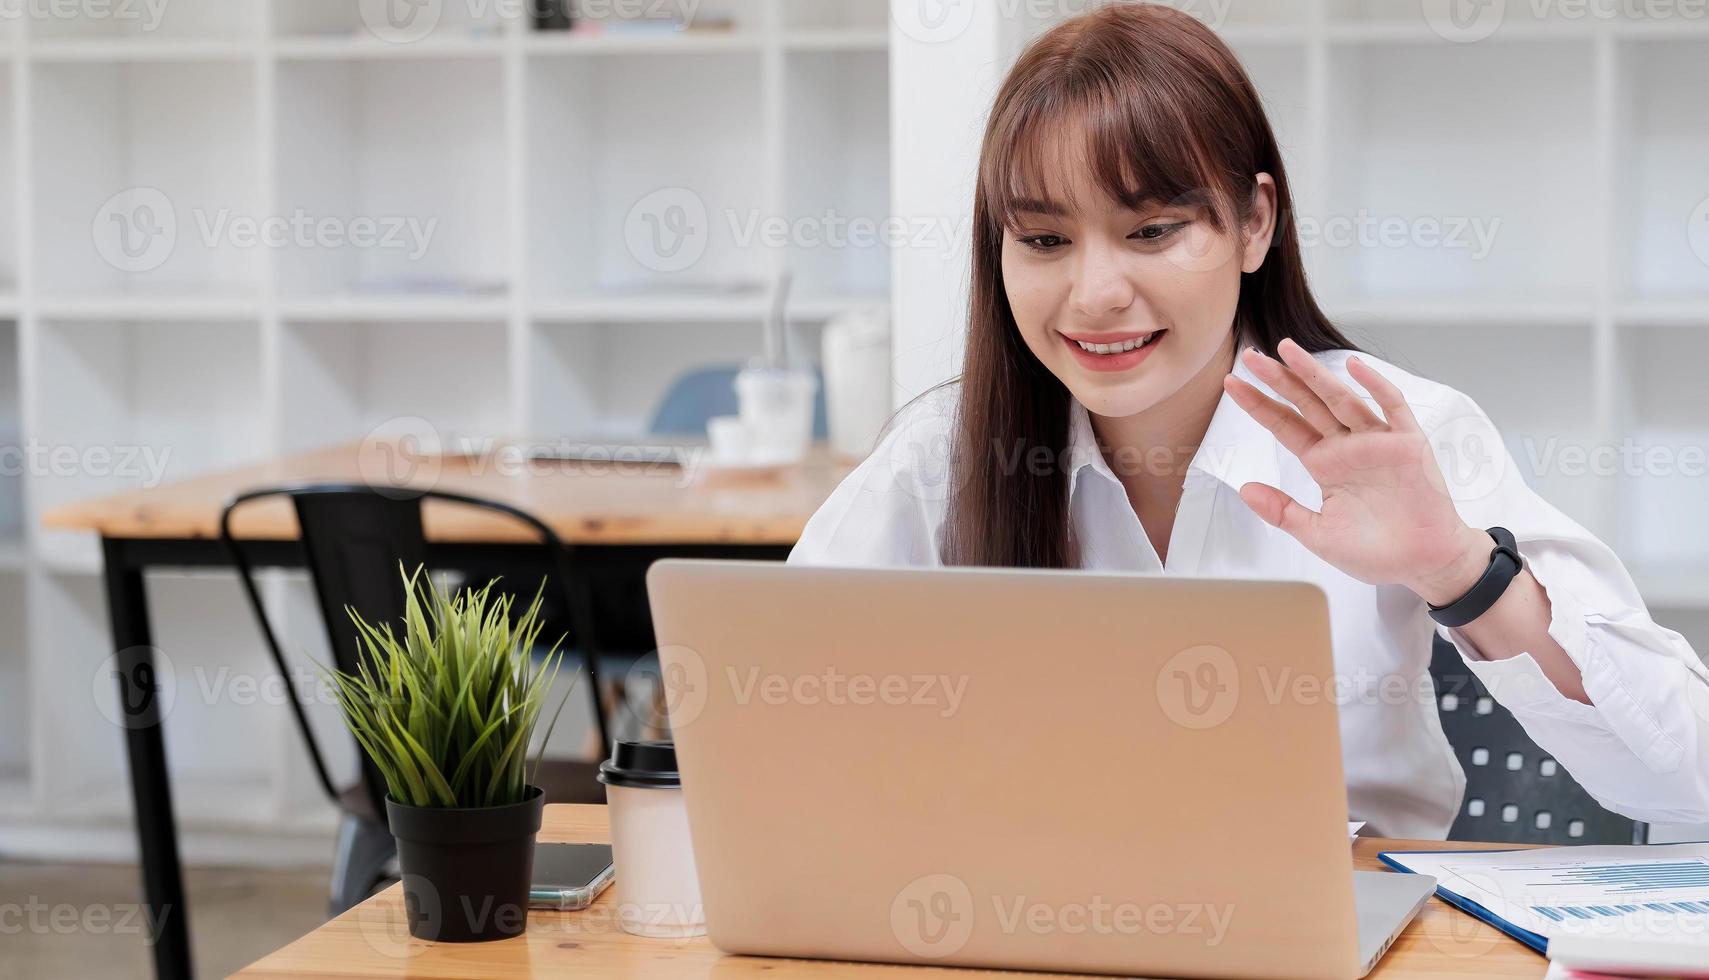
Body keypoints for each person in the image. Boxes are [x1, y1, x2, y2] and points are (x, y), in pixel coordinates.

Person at [787, 4, 1709, 839]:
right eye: (1043, 240)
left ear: (1253, 222)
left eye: (1151, 231)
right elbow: (771, 727)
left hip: (1347, 927)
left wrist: (1458, 569)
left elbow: (1685, 782)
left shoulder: (1391, 431)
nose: (1094, 293)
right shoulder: (941, 456)